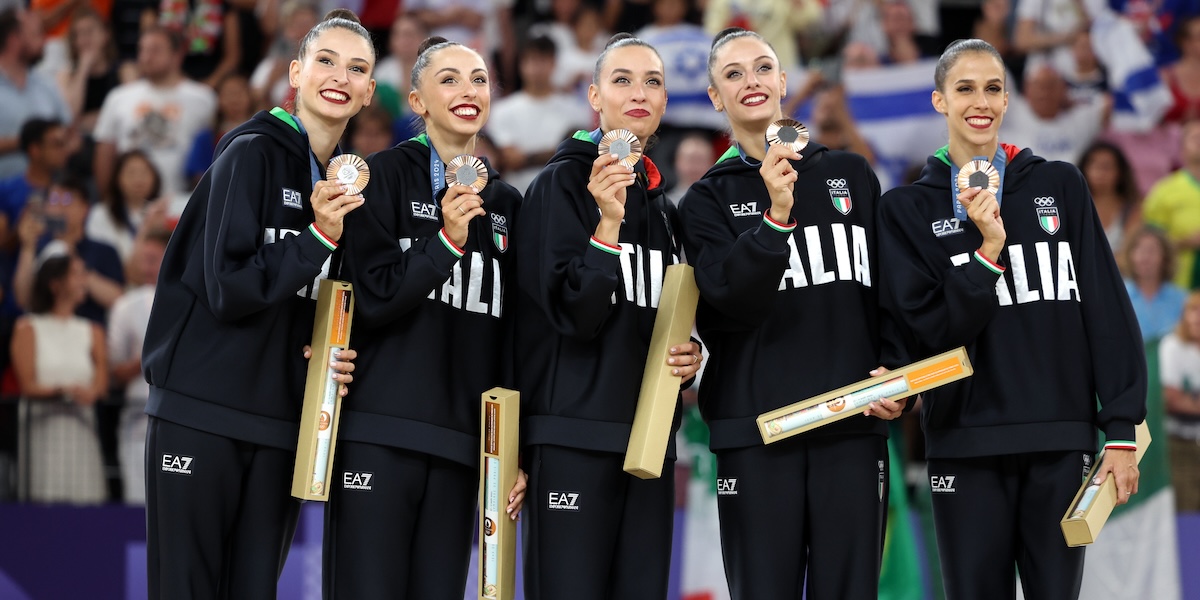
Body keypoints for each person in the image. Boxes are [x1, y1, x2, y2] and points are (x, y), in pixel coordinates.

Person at [877, 38, 1147, 599]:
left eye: (994, 88)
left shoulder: (1060, 185)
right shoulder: (907, 209)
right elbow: (927, 332)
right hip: (963, 442)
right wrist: (986, 253)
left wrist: (1120, 431)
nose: (981, 101)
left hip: (1058, 439)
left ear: (1007, 100)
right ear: (938, 101)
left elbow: (1104, 306)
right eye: (965, 88)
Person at [140, 9, 371, 598]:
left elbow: (313, 303)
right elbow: (229, 288)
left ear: (369, 92)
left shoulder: (344, 192)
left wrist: (331, 354)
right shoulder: (250, 154)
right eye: (325, 60)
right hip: (202, 410)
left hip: (278, 423)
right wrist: (316, 238)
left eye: (356, 68)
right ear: (295, 73)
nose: (339, 76)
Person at [676, 27, 906, 600]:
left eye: (761, 68)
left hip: (852, 431)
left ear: (783, 82)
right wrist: (776, 218)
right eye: (733, 74)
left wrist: (899, 371)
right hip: (757, 439)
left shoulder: (851, 175)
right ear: (714, 97)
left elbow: (889, 295)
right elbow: (729, 304)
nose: (750, 81)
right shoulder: (705, 200)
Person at [325, 35, 526, 599]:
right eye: (450, 79)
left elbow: (515, 336)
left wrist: (515, 450)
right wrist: (447, 240)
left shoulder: (509, 204)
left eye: (480, 79)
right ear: (417, 100)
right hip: (380, 433)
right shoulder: (379, 178)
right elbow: (377, 297)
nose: (469, 91)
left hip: (464, 448)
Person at [514, 32, 704, 599]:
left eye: (653, 82)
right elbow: (574, 316)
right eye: (622, 80)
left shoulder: (666, 212)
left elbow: (656, 317)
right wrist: (607, 229)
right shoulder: (557, 186)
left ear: (666, 102)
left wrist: (688, 357)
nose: (639, 92)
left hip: (647, 446)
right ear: (595, 96)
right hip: (572, 439)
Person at [12, 253, 108, 504]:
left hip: (82, 432)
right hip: (43, 432)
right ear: (55, 284)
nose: (83, 280)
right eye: (76, 274)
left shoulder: (93, 331)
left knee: (87, 504)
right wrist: (64, 391)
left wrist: (91, 393)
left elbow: (101, 383)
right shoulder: (27, 327)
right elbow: (28, 384)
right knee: (44, 507)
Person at [92, 26, 216, 204]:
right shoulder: (118, 97)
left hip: (183, 203)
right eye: (142, 50)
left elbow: (212, 153)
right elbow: (105, 152)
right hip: (128, 206)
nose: (146, 57)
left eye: (155, 50)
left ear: (177, 55)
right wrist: (108, 202)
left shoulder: (203, 98)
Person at [487, 35, 591, 194]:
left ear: (554, 63)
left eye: (543, 60)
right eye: (532, 60)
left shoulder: (576, 110)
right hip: (516, 196)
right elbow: (510, 160)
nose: (537, 68)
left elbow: (578, 157)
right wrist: (558, 152)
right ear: (521, 64)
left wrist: (527, 158)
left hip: (562, 195)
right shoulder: (502, 110)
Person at [109, 228, 169, 504]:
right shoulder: (125, 306)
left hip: (177, 415)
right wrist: (152, 355)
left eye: (154, 258)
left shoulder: (195, 300)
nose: (147, 266)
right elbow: (114, 372)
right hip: (137, 416)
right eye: (143, 259)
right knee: (137, 500)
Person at [1144, 119, 1200, 289]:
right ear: (1182, 150)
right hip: (1178, 287)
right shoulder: (1164, 191)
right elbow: (1150, 243)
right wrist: (1185, 242)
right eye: (1195, 138)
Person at [1160, 290, 1200, 512]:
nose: (1197, 317)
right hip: (1182, 442)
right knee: (1188, 511)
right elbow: (1172, 398)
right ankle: (1192, 548)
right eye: (1193, 310)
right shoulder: (1172, 345)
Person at [88, 149, 163, 265]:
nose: (138, 179)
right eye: (131, 173)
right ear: (117, 178)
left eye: (144, 172)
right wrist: (147, 227)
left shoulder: (162, 212)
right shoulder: (101, 213)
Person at [1123, 226, 1186, 341]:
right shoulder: (1117, 296)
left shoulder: (1183, 300)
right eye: (1139, 250)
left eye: (1151, 250)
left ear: (1165, 257)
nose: (1145, 257)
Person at [1078, 141, 1141, 252]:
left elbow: (1131, 254)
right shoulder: (1073, 208)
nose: (1100, 172)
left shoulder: (1131, 211)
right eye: (1094, 166)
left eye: (1106, 167)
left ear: (1120, 172)